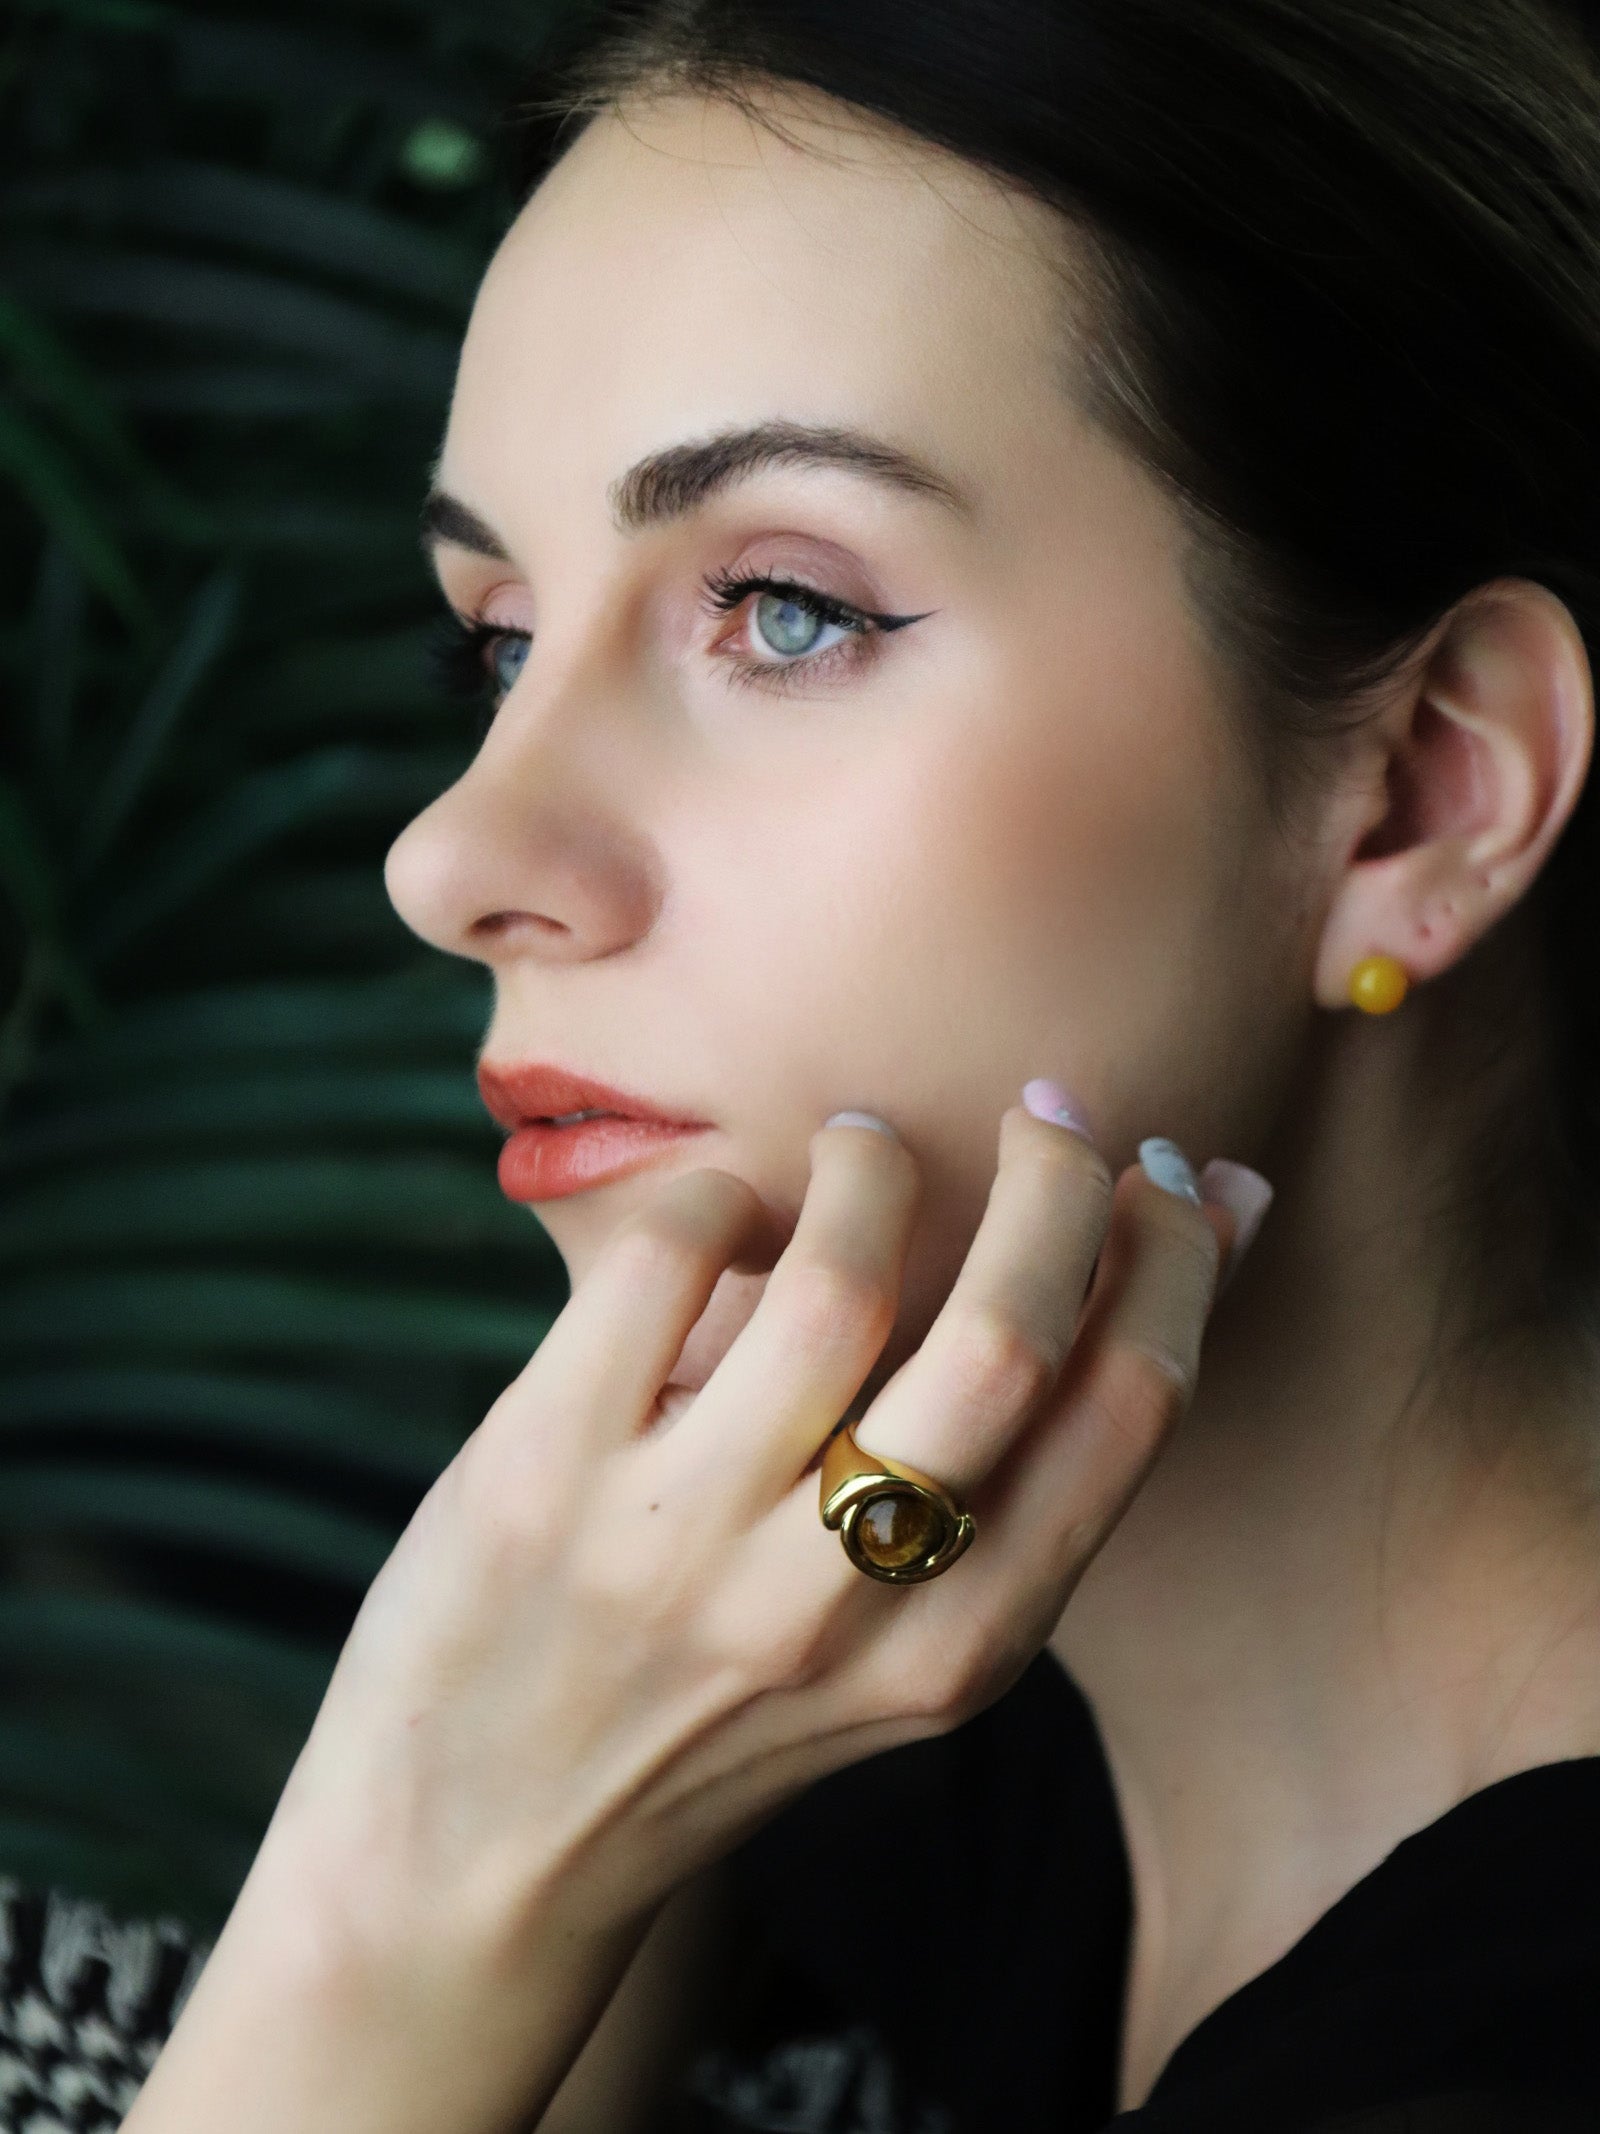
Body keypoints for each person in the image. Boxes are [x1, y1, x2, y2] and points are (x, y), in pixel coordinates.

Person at [14, 1, 1600, 2128]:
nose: (454, 854)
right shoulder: (865, 1689)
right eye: (491, 641)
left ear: (1417, 792)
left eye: (778, 609)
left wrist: (412, 1907)